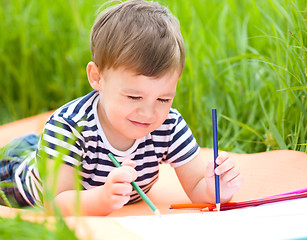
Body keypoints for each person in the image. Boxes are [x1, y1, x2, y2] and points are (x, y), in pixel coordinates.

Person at [0, 0, 242, 216]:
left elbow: (198, 184)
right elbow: (56, 202)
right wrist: (102, 199)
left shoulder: (169, 125)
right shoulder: (68, 127)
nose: (149, 114)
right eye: (134, 97)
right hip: (16, 177)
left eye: (163, 99)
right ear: (97, 77)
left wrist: (215, 188)